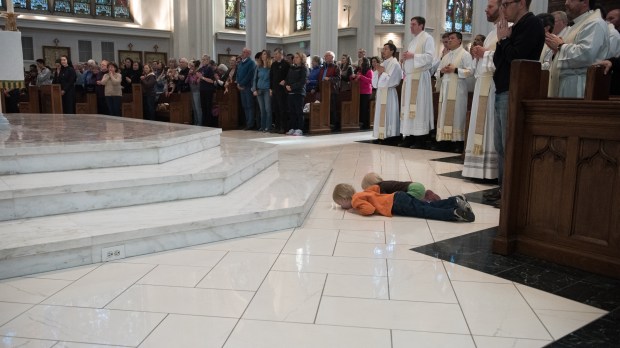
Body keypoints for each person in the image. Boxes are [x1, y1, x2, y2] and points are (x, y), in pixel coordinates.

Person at [490, 0, 545, 207]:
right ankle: (503, 188)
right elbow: (499, 61)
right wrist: (502, 41)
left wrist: (504, 40)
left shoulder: (532, 25)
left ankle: (511, 193)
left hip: (516, 90)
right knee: (501, 146)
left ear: (521, 3)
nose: (503, 9)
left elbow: (516, 58)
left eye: (506, 4)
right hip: (503, 89)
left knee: (510, 145)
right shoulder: (513, 28)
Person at [463, 0, 501, 181]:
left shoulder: (506, 29)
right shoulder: (493, 32)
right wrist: (481, 54)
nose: (486, 10)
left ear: (501, 8)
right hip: (482, 84)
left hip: (493, 85)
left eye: (490, 7)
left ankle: (490, 170)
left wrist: (484, 53)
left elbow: (503, 58)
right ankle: (477, 169)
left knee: (489, 124)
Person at [545, 0, 609, 98]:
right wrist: (556, 51)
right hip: (566, 82)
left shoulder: (595, 23)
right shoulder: (577, 25)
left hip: (579, 85)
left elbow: (586, 55)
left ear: (585, 2)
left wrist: (560, 46)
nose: (566, 3)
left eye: (570, 0)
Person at [332, 183, 475, 222]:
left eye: (340, 203)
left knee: (424, 211)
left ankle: (453, 214)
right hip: (398, 197)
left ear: (345, 199)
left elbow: (368, 210)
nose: (341, 207)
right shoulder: (362, 193)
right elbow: (376, 188)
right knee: (426, 205)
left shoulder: (356, 200)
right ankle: (455, 200)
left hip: (397, 205)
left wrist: (356, 210)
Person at [398, 16, 436, 149]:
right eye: (410, 24)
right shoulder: (413, 41)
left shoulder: (427, 38)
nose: (411, 27)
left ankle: (420, 138)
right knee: (408, 108)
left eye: (413, 24)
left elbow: (430, 57)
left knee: (419, 108)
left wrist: (412, 56)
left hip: (420, 79)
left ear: (421, 25)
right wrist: (404, 60)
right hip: (410, 78)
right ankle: (409, 136)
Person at [435, 31, 472, 153]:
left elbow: (470, 72)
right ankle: (445, 141)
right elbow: (437, 72)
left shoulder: (465, 55)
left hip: (458, 91)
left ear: (459, 41)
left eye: (452, 38)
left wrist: (455, 70)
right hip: (446, 90)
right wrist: (442, 71)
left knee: (457, 115)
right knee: (445, 114)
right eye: (448, 39)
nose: (449, 40)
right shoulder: (446, 56)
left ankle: (458, 142)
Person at [372, 42, 402, 143]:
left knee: (389, 113)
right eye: (383, 49)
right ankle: (381, 135)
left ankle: (390, 136)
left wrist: (382, 73)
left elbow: (392, 80)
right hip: (381, 93)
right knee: (380, 113)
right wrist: (379, 73)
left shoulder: (395, 64)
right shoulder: (383, 63)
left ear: (392, 51)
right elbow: (375, 83)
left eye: (385, 49)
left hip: (389, 93)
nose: (383, 51)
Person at [361, 172, 441, 202]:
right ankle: (426, 194)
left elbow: (384, 198)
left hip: (414, 190)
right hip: (416, 185)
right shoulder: (385, 183)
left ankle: (427, 199)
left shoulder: (380, 187)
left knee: (409, 202)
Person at [284, 52, 308, 136]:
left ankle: (300, 129)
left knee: (299, 111)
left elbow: (302, 81)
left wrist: (292, 87)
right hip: (290, 92)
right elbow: (287, 78)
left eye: (297, 57)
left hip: (299, 92)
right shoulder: (291, 67)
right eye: (295, 57)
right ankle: (292, 128)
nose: (295, 58)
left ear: (302, 59)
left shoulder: (304, 68)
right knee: (292, 111)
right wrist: (287, 85)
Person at [317, 51, 340, 131]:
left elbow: (338, 78)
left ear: (332, 57)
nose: (325, 57)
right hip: (323, 91)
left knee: (332, 108)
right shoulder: (323, 68)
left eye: (327, 56)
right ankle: (325, 123)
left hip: (332, 91)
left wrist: (329, 79)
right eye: (325, 56)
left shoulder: (336, 67)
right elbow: (319, 79)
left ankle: (333, 125)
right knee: (325, 108)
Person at [270, 48, 290, 133]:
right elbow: (271, 77)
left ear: (281, 54)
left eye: (276, 54)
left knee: (282, 109)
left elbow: (289, 75)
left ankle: (283, 127)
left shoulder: (286, 64)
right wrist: (270, 88)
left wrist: (285, 81)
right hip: (274, 89)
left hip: (282, 90)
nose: (274, 55)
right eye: (274, 54)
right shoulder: (273, 64)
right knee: (276, 108)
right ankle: (277, 126)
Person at [237, 47, 257, 130]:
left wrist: (241, 83)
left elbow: (249, 75)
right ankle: (247, 122)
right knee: (244, 106)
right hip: (241, 88)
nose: (242, 53)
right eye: (242, 52)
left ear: (249, 54)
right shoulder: (240, 63)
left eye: (244, 52)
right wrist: (238, 83)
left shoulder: (251, 63)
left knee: (249, 106)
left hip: (248, 87)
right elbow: (238, 74)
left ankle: (250, 124)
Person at [253, 50, 273, 132]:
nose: (262, 56)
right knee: (262, 109)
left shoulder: (271, 67)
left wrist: (271, 89)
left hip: (267, 89)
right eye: (262, 54)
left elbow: (272, 79)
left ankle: (268, 126)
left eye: (264, 54)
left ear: (267, 56)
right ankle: (262, 126)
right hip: (259, 89)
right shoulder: (258, 67)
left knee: (268, 108)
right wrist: (254, 89)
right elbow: (255, 79)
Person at [352, 57, 373, 130]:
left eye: (361, 61)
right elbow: (354, 79)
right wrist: (352, 77)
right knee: (360, 108)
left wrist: (361, 76)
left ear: (365, 62)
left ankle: (366, 124)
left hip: (366, 92)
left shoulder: (369, 71)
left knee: (364, 108)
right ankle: (361, 122)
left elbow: (370, 81)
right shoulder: (359, 70)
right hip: (358, 91)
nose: (359, 62)